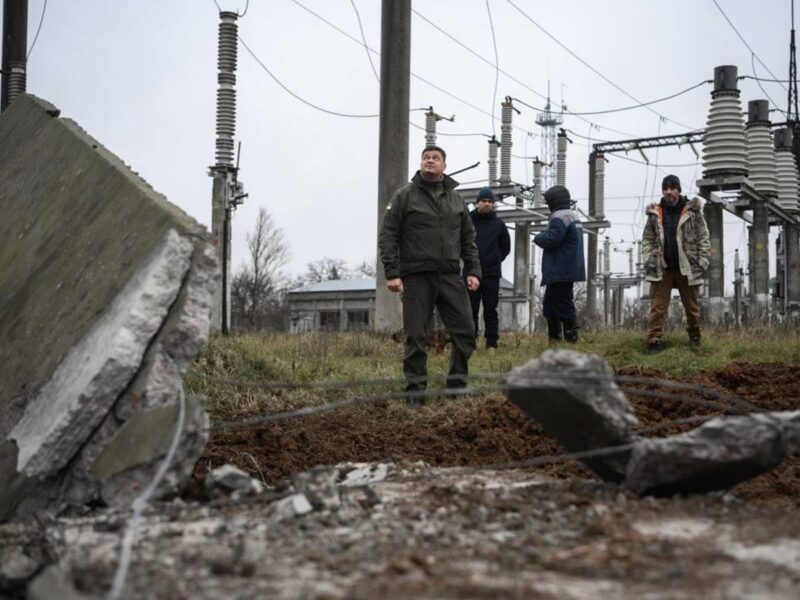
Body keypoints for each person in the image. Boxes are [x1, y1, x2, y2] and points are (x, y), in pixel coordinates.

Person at [379, 146, 481, 405]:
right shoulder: (405, 196)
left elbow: (468, 238)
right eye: (426, 157)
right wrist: (392, 273)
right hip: (416, 276)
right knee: (416, 335)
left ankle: (456, 386)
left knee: (466, 331)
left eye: (436, 158)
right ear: (421, 163)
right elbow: (388, 235)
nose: (430, 161)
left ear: (444, 166)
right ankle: (415, 391)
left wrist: (473, 270)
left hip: (449, 276)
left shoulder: (456, 200)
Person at [642, 174, 710, 354]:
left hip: (687, 268)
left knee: (692, 308)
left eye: (672, 188)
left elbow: (703, 238)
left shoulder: (693, 213)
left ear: (679, 190)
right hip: (662, 268)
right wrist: (649, 257)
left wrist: (702, 262)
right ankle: (654, 341)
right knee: (657, 308)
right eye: (665, 189)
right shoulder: (655, 214)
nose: (668, 192)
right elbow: (647, 239)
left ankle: (695, 338)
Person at [533, 185, 585, 343]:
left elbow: (552, 239)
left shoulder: (558, 217)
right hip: (568, 269)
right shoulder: (573, 216)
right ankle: (555, 338)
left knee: (562, 304)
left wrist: (539, 237)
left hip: (560, 270)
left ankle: (569, 338)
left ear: (553, 201)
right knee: (551, 305)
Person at [468, 187, 511, 352]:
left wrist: (494, 260)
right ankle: (470, 343)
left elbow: (505, 248)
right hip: (472, 272)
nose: (487, 204)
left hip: (492, 273)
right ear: (477, 202)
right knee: (470, 310)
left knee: (490, 309)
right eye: (484, 201)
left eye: (490, 202)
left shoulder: (499, 224)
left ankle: (491, 343)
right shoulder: (468, 221)